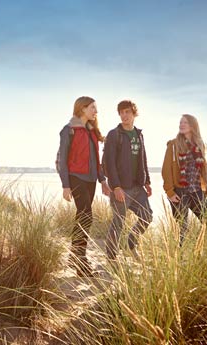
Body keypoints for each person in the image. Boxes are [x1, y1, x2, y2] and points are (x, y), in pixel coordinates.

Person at [58, 96, 110, 277]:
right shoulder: (69, 130)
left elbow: (97, 161)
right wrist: (65, 185)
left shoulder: (92, 132)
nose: (96, 111)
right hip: (75, 178)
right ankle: (79, 257)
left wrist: (102, 180)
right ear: (82, 109)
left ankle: (76, 255)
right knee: (86, 214)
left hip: (91, 180)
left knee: (83, 215)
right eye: (93, 108)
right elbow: (61, 160)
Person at [161, 114, 207, 245]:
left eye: (185, 122)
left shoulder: (200, 146)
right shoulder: (173, 145)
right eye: (180, 122)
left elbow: (206, 172)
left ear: (193, 126)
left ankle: (202, 250)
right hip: (179, 192)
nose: (181, 124)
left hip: (197, 191)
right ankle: (179, 257)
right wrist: (169, 192)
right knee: (182, 228)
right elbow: (166, 170)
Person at [102, 100, 153, 260]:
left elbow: (142, 159)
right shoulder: (114, 134)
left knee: (147, 216)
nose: (124, 116)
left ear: (134, 113)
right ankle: (111, 258)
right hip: (122, 188)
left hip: (138, 187)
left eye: (127, 112)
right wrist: (115, 187)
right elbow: (108, 163)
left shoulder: (139, 134)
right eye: (121, 112)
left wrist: (147, 181)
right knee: (118, 223)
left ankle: (131, 242)